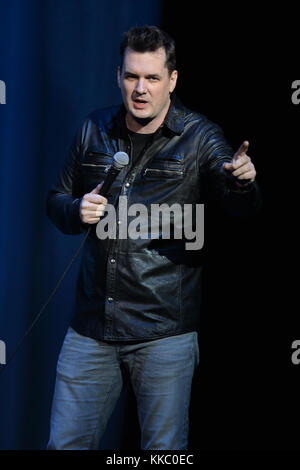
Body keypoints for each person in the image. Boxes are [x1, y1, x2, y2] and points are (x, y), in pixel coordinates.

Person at [46, 25, 261, 450]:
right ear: (119, 76)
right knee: (65, 444)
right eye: (131, 76)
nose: (140, 89)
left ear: (172, 79)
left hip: (163, 332)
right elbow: (56, 200)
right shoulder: (94, 129)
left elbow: (239, 206)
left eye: (152, 78)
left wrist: (241, 182)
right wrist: (76, 209)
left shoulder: (199, 136)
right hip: (92, 329)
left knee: (165, 455)